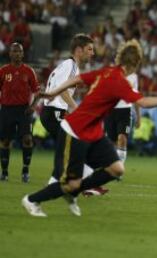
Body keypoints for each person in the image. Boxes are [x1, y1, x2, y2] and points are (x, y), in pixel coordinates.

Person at [22, 39, 157, 217]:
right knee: (72, 183)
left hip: (94, 133)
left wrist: (53, 92)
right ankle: (32, 200)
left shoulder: (106, 72)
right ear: (135, 64)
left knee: (117, 168)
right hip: (76, 131)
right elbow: (143, 102)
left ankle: (74, 191)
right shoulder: (119, 81)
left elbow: (77, 78)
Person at [40, 33, 94, 185]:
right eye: (89, 49)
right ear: (79, 50)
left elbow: (58, 92)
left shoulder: (69, 66)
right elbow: (63, 91)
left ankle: (62, 181)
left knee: (68, 146)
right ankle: (82, 181)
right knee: (73, 145)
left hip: (53, 112)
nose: (92, 53)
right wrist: (76, 108)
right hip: (54, 112)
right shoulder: (71, 66)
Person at [0, 42, 40, 182]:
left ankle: (25, 170)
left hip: (24, 110)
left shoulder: (29, 71)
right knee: (5, 141)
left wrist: (33, 106)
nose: (17, 53)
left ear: (23, 54)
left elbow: (36, 91)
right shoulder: (3, 71)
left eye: (19, 51)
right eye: (14, 51)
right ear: (10, 53)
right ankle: (4, 172)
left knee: (27, 139)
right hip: (6, 109)